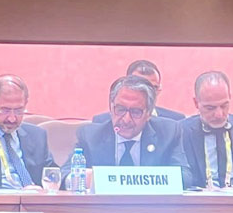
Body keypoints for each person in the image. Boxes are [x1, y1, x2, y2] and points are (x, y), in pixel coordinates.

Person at [64, 76, 193, 187]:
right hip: (103, 207)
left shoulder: (168, 133)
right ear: (111, 108)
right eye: (120, 109)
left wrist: (136, 180)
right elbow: (64, 174)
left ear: (149, 114)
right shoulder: (90, 136)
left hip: (151, 207)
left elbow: (185, 177)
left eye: (136, 112)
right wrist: (82, 178)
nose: (126, 119)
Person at [0, 74, 57, 188]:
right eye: (5, 110)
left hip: (34, 197)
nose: (12, 118)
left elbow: (52, 174)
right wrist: (11, 193)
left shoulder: (37, 136)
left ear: (25, 104)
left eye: (19, 110)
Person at [181, 72, 233, 188]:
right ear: (196, 103)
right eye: (210, 108)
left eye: (224, 106)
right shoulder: (181, 132)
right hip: (199, 197)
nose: (219, 114)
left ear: (230, 97)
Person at [92, 60, 185, 123]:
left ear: (159, 90)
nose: (147, 93)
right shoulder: (102, 122)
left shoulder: (176, 122)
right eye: (140, 88)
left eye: (152, 88)